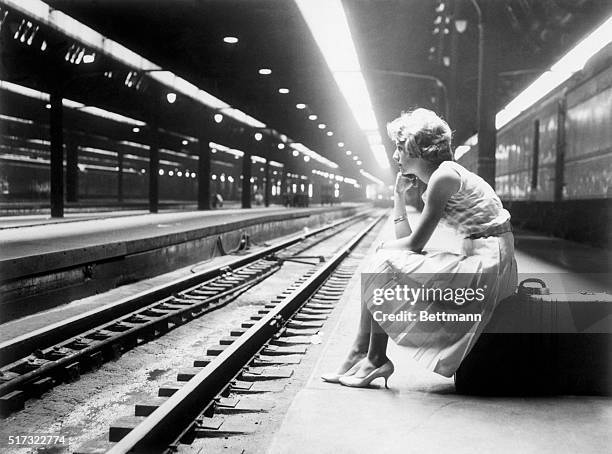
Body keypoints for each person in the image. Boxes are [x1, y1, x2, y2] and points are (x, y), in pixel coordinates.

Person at [321, 108, 518, 388]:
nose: (394, 155)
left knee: (382, 261)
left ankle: (373, 358)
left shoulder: (443, 178)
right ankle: (363, 355)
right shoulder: (440, 177)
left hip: (489, 265)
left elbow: (414, 244)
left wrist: (383, 249)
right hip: (481, 256)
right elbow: (410, 240)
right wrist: (399, 197)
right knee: (383, 260)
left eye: (400, 147)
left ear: (418, 148)